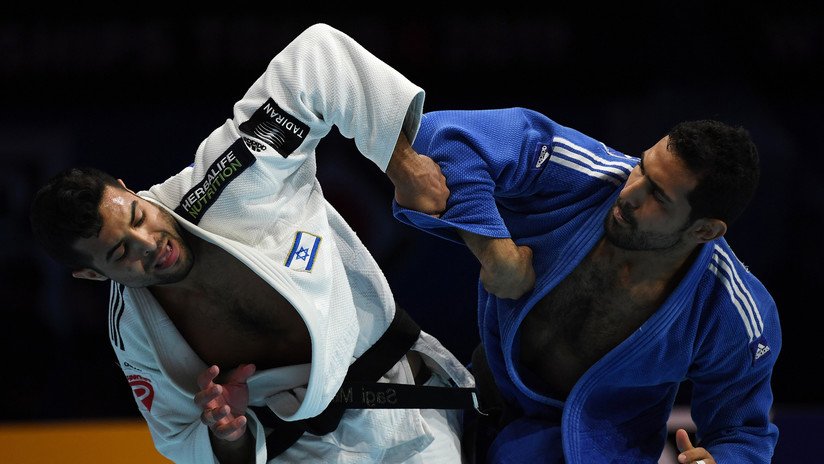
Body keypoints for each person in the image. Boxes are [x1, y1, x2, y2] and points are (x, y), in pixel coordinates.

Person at [29, 24, 476, 463]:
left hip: (411, 409)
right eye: (120, 253)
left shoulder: (228, 177)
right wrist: (227, 431)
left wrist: (400, 163)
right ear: (90, 274)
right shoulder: (135, 330)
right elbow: (178, 436)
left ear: (128, 189)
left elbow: (320, 57)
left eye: (137, 216)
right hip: (303, 453)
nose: (148, 243)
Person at [392, 107, 781, 463]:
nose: (630, 193)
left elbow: (743, 433)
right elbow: (443, 134)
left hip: (597, 449)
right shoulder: (587, 177)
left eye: (658, 197)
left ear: (704, 230)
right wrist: (496, 253)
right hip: (482, 386)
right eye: (643, 167)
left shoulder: (732, 311)